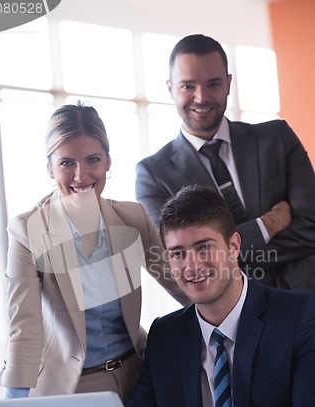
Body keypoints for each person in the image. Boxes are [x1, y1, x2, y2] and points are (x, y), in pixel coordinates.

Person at [0, 102, 189, 407]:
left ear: (109, 160)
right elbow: (24, 333)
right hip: (73, 392)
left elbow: (184, 286)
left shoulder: (133, 218)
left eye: (93, 159)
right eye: (66, 163)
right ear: (49, 168)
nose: (81, 174)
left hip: (138, 379)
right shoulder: (28, 230)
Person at [126, 185, 315, 407]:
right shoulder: (165, 334)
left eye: (204, 247)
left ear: (234, 246)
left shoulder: (300, 315)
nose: (192, 266)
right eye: (178, 253)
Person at [135, 34, 315, 290]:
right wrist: (268, 223)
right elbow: (179, 266)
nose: (201, 97)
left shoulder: (278, 138)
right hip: (235, 322)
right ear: (170, 88)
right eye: (188, 86)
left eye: (213, 84)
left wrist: (222, 258)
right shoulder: (153, 175)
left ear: (229, 84)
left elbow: (313, 228)